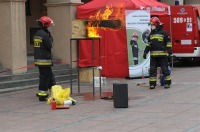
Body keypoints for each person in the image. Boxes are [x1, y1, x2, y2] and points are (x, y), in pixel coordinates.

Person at [143, 17, 172, 89]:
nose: (151, 26)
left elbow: (168, 42)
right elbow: (148, 44)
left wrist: (170, 51)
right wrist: (145, 52)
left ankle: (167, 83)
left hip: (162, 56)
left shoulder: (164, 32)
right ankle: (152, 84)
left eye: (152, 24)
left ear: (156, 24)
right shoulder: (151, 34)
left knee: (165, 69)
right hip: (153, 56)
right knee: (152, 70)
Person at [34, 16, 56, 101]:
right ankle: (42, 95)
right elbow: (50, 45)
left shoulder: (37, 33)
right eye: (50, 26)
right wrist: (50, 38)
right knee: (45, 77)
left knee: (49, 76)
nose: (50, 27)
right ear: (45, 25)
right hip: (44, 60)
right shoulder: (45, 34)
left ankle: (54, 91)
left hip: (39, 59)